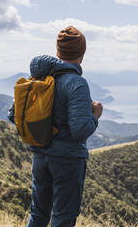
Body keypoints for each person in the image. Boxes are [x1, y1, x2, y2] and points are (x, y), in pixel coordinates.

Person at [9, 26, 102, 227]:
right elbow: (80, 130)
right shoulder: (76, 83)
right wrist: (95, 115)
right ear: (81, 53)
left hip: (40, 156)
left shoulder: (39, 78)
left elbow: (13, 114)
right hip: (68, 160)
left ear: (58, 51)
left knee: (38, 214)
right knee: (63, 217)